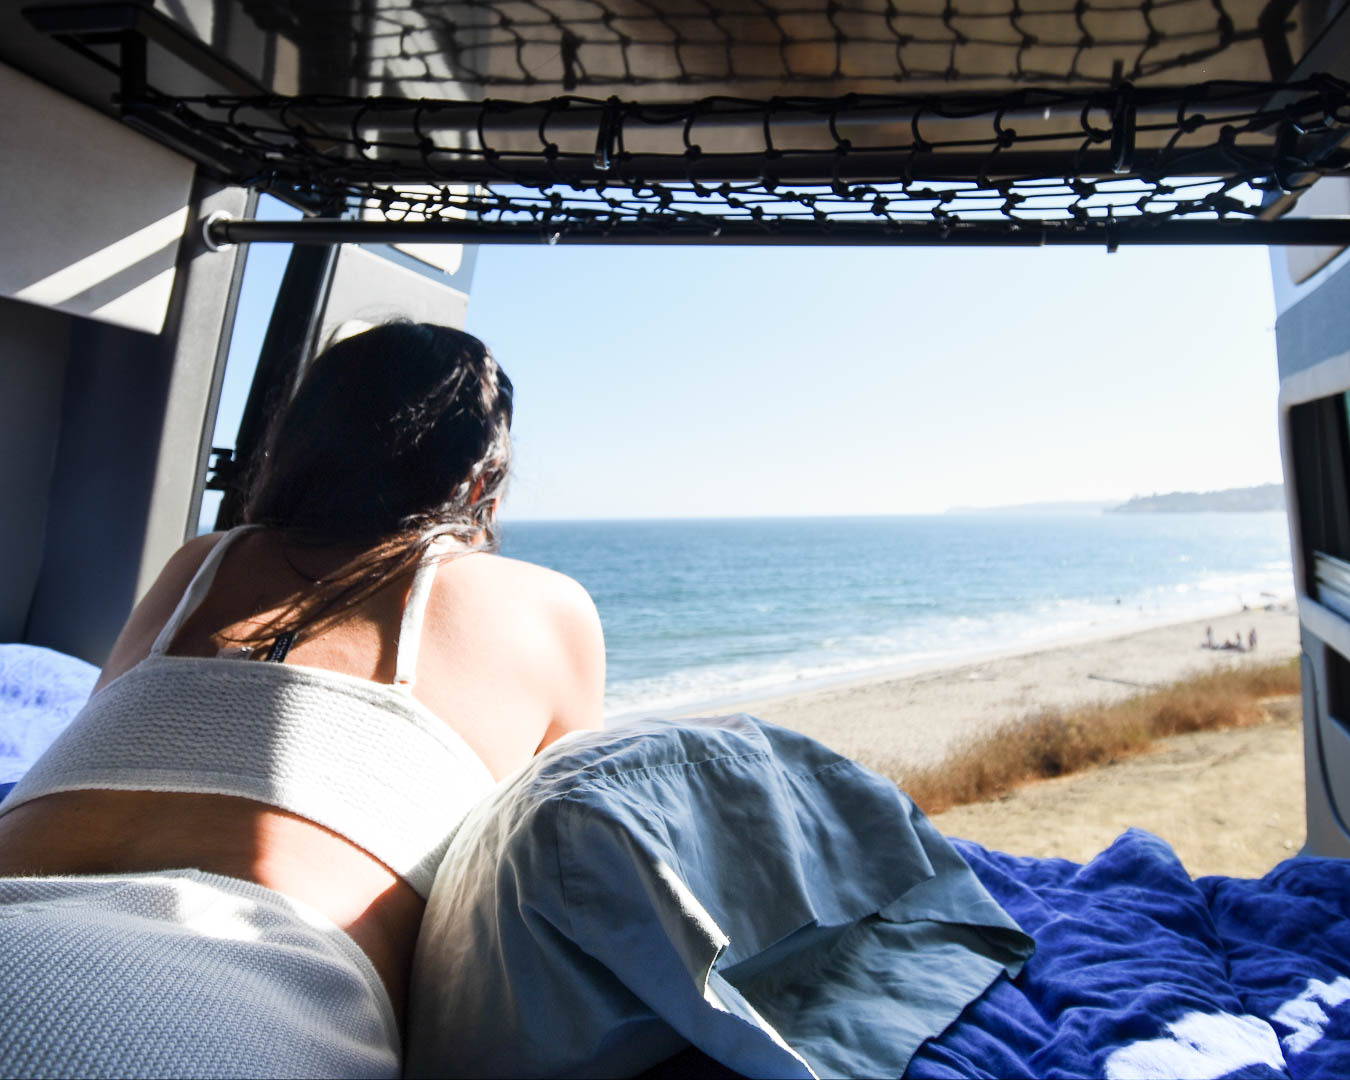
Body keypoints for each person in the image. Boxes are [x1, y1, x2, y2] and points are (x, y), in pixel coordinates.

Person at [0, 322, 605, 1077]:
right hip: (221, 997)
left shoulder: (200, 567)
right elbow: (567, 851)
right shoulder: (545, 605)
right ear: (480, 481)